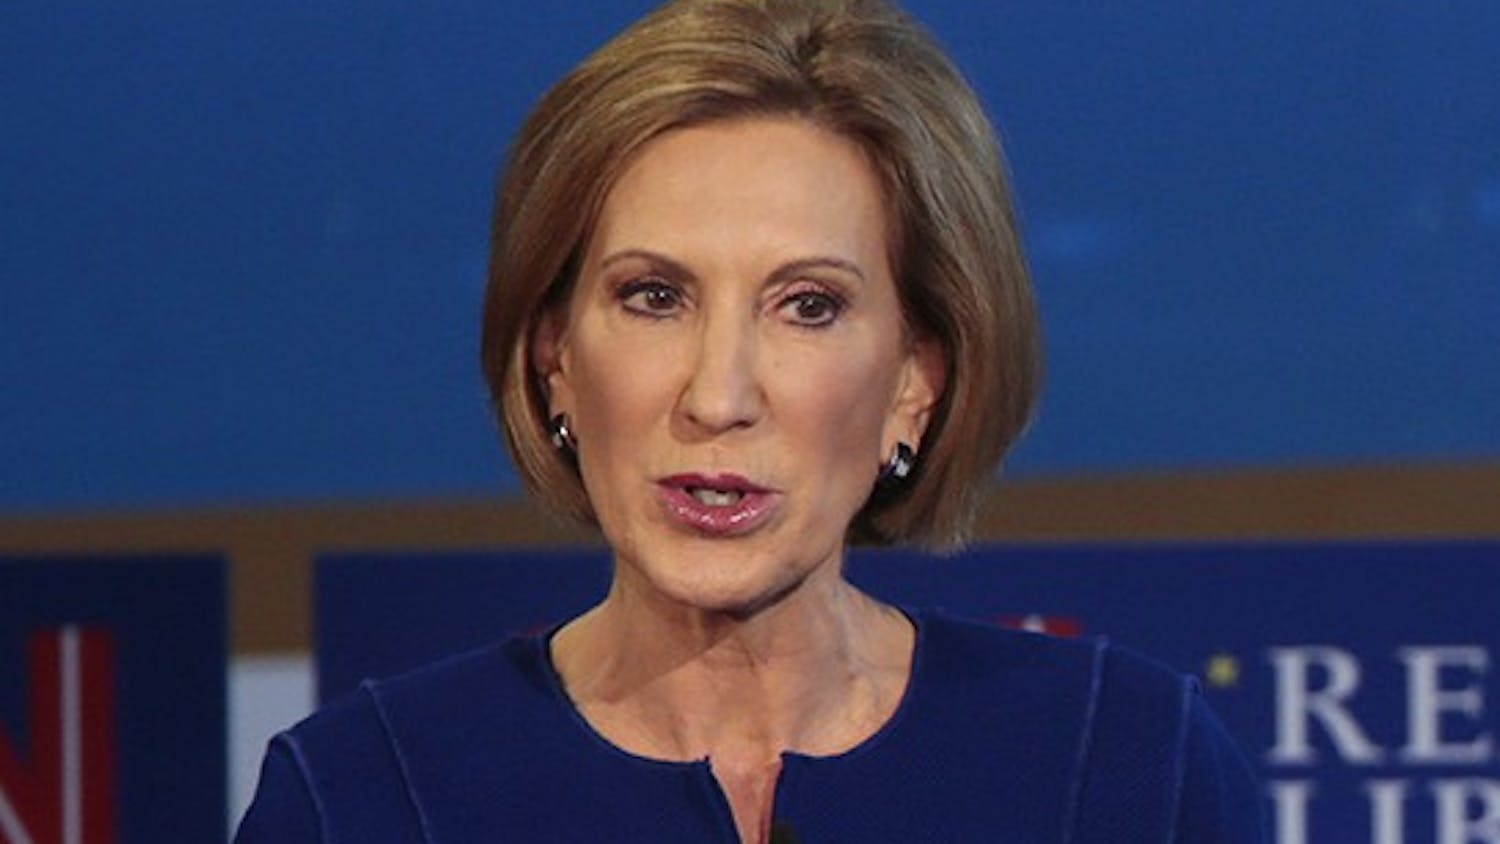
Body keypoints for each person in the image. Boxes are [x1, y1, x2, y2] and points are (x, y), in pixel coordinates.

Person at [236, 0, 1265, 841]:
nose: (718, 396)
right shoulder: (366, 798)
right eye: (654, 297)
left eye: (808, 306)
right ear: (554, 360)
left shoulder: (1127, 767)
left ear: (915, 381)